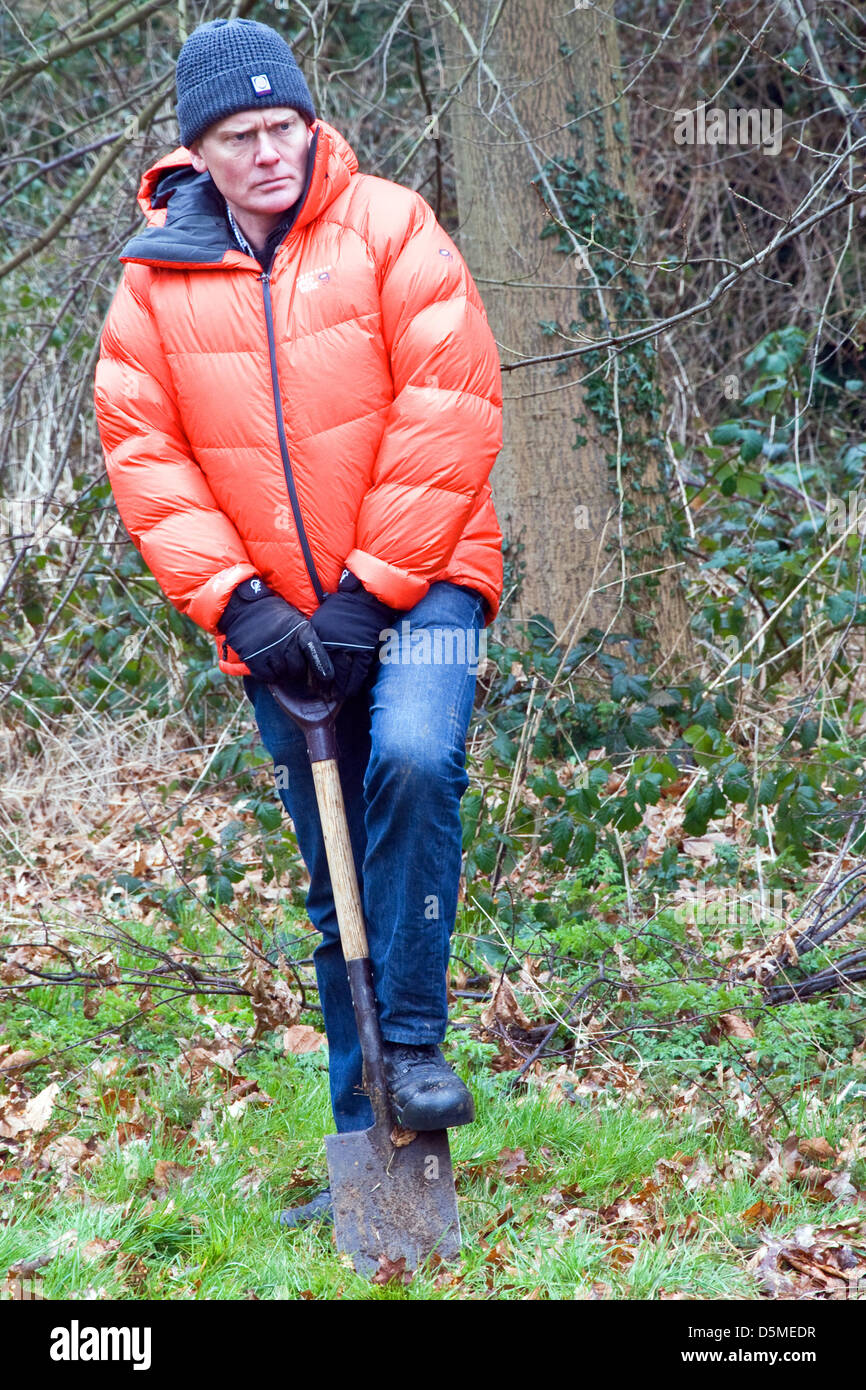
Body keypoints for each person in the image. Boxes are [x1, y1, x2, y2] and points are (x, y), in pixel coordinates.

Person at [93, 17, 503, 1226]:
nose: (269, 150)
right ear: (198, 152)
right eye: (239, 135)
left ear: (308, 125)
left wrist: (365, 592)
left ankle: (414, 1048)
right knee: (335, 891)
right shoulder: (154, 281)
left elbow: (452, 401)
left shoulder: (389, 224)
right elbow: (144, 452)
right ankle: (366, 1161)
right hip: (278, 625)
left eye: (283, 126)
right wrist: (241, 601)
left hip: (423, 583)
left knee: (419, 758)